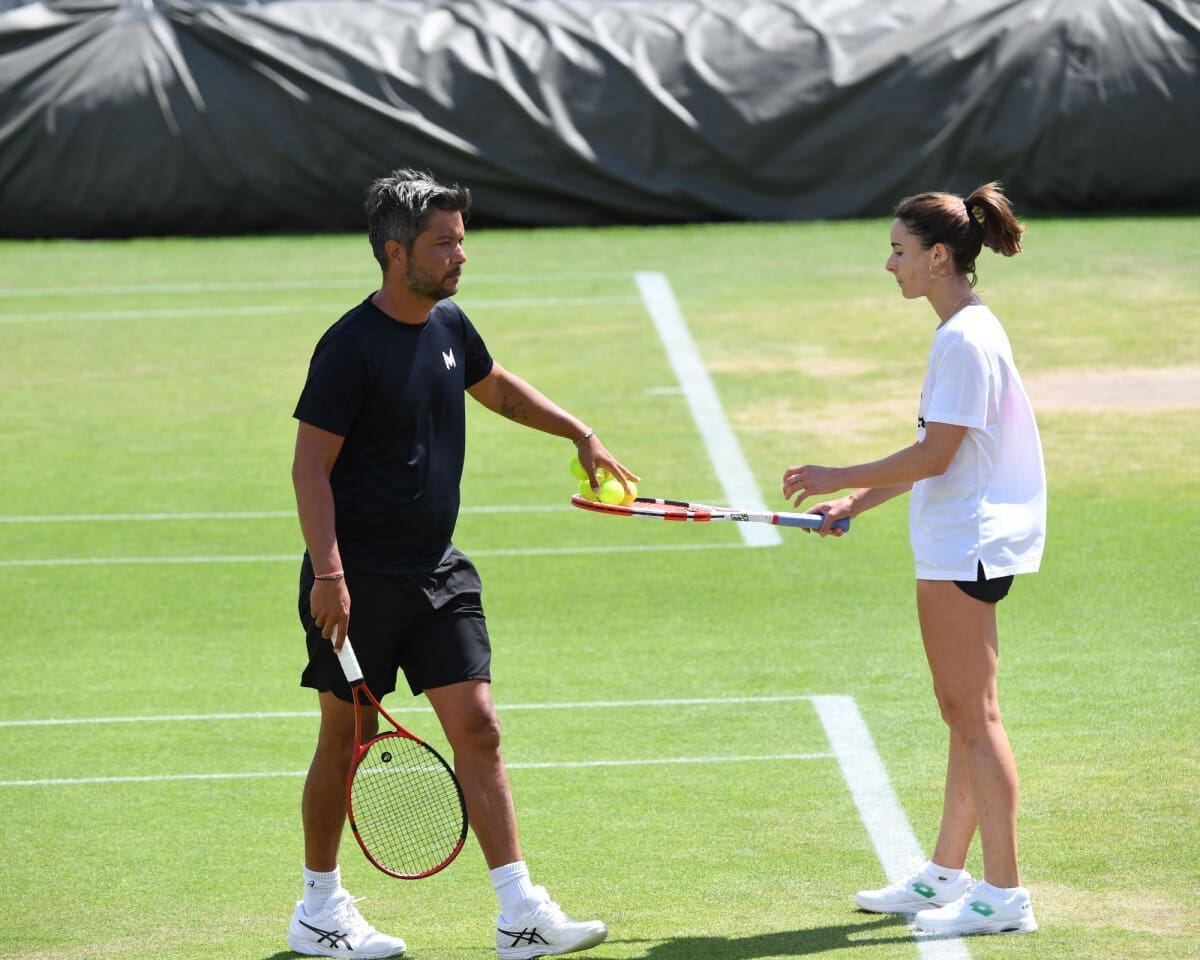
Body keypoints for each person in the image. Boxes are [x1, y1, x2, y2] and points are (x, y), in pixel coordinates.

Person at [287, 168, 638, 960]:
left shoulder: (449, 324)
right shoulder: (349, 348)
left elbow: (498, 388)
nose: (459, 256)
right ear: (393, 251)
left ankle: (519, 914)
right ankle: (318, 908)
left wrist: (578, 432)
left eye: (461, 241)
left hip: (438, 573)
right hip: (359, 580)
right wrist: (330, 576)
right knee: (347, 737)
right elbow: (310, 469)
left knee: (478, 728)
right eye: (443, 243)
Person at [781, 182, 1045, 937]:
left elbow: (937, 454)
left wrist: (838, 476)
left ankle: (1004, 893)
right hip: (966, 536)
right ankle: (945, 875)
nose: (888, 264)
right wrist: (853, 505)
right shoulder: (964, 331)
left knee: (974, 716)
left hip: (965, 544)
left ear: (938, 256)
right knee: (966, 712)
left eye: (898, 251)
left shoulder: (964, 338)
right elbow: (944, 457)